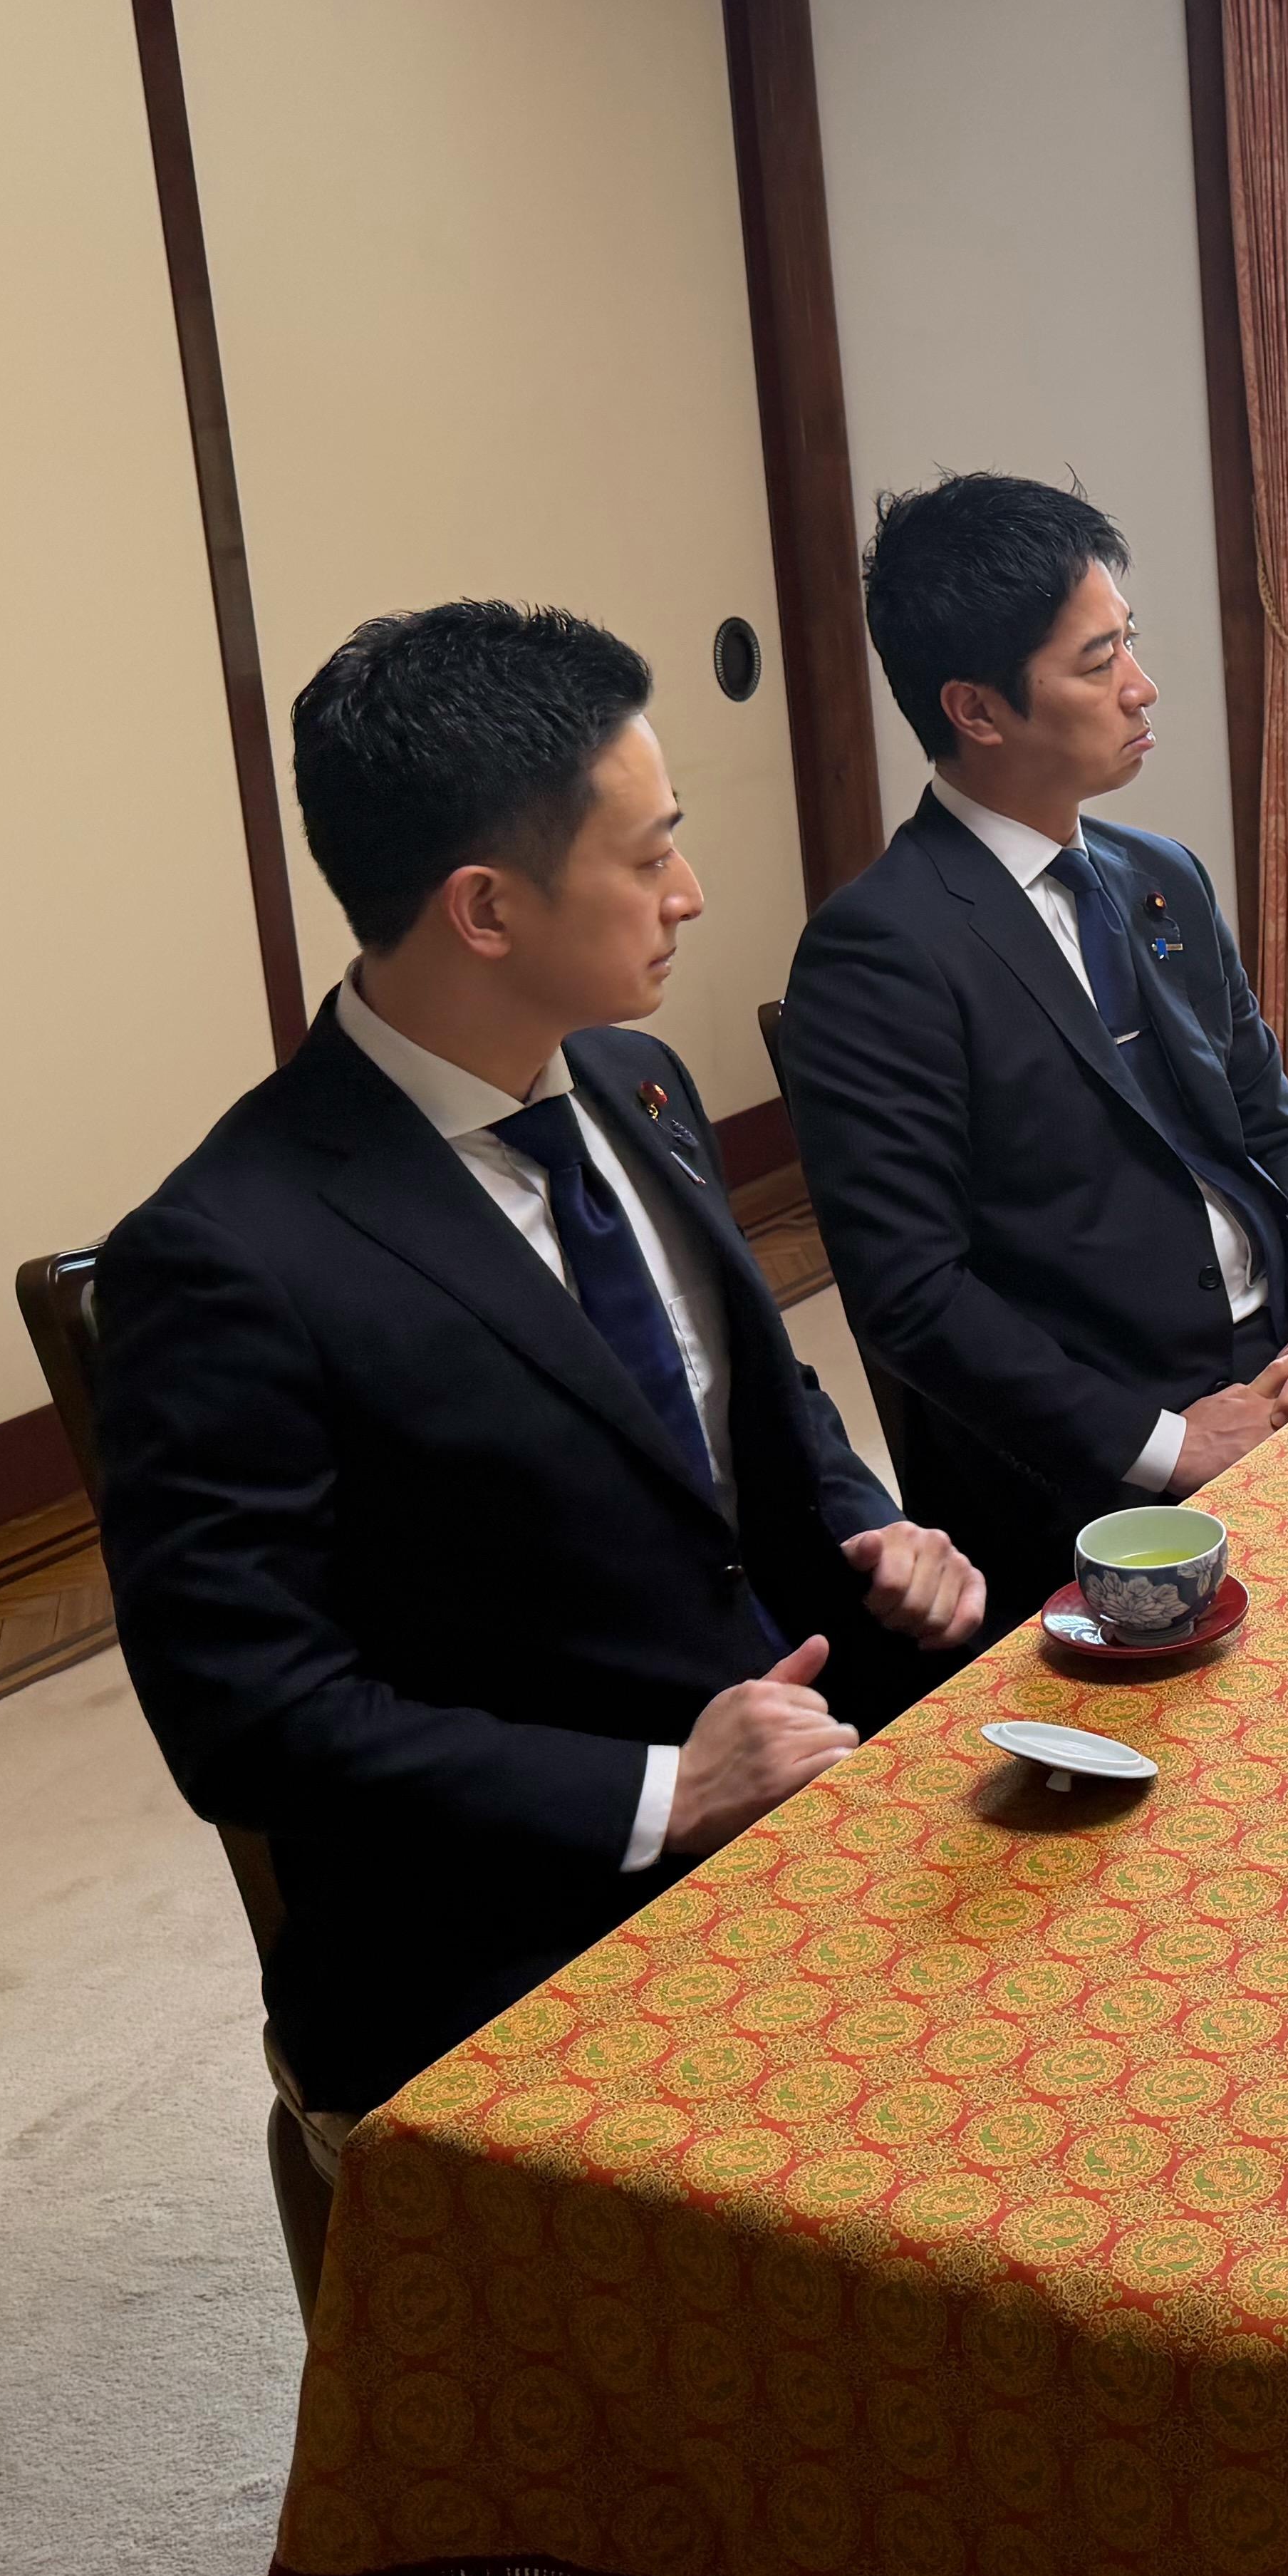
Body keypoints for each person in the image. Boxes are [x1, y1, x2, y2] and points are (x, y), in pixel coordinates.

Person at [98, 606, 987, 2119]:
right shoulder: (226, 1254)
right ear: (486, 910)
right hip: (518, 1905)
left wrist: (871, 1528)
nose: (690, 894)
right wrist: (663, 1792)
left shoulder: (634, 1079)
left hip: (800, 1739)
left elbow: (756, 1398)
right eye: (649, 857)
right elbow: (248, 1715)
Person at [786, 476, 1288, 1609]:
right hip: (1104, 1455)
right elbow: (913, 1293)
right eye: (1099, 662)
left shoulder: (1160, 875)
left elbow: (1278, 1128)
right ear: (978, 711)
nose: (1140, 686)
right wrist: (1170, 1445)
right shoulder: (881, 951)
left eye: (1129, 643)